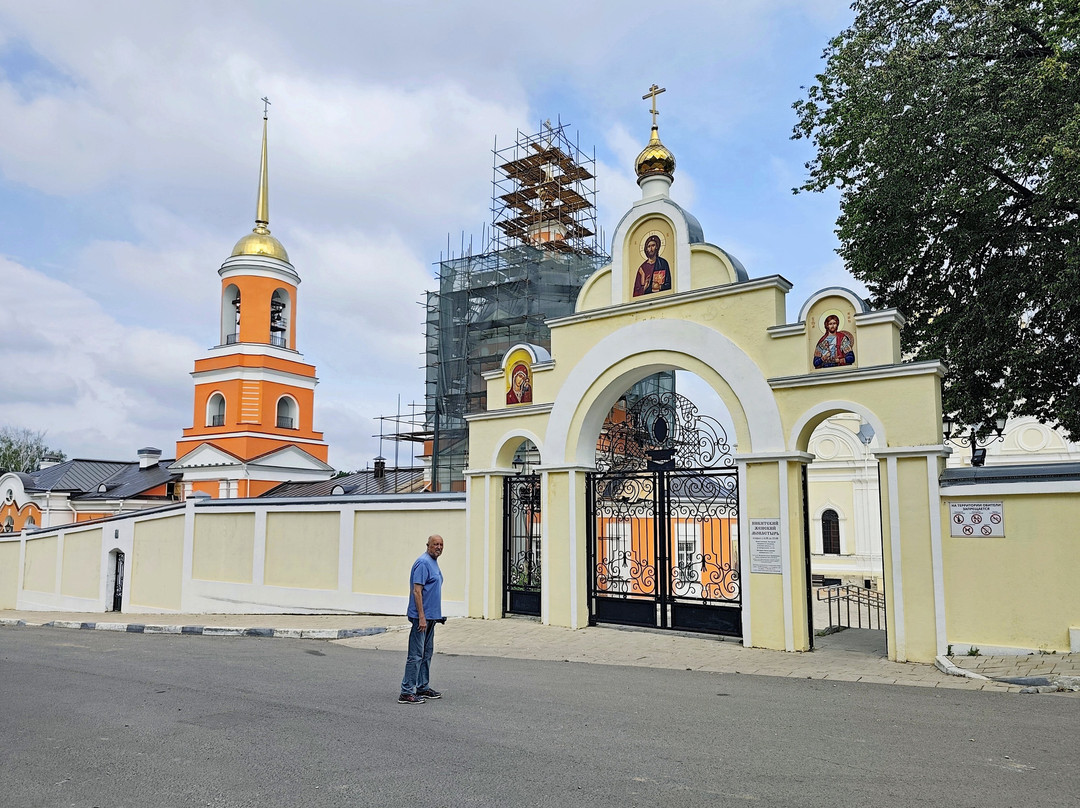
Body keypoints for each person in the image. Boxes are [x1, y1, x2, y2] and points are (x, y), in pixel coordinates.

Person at [399, 534, 444, 704]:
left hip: (431, 618)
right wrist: (422, 617)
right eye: (435, 544)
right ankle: (406, 692)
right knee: (416, 655)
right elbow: (417, 591)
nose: (438, 547)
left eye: (441, 544)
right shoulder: (423, 563)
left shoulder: (433, 562)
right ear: (428, 545)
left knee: (426, 654)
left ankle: (422, 687)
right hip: (422, 618)